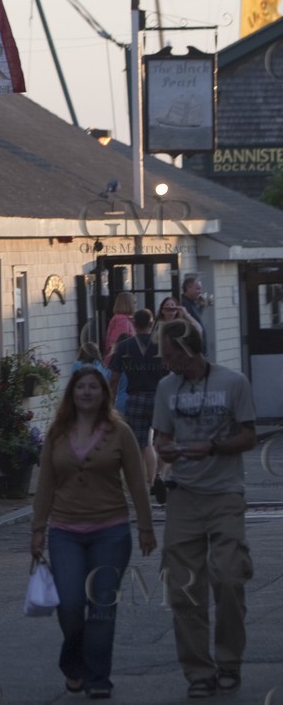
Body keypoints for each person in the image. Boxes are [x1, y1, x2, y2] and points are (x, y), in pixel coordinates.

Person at [30, 367, 155, 700]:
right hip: (65, 532)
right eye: (81, 387)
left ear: (104, 394)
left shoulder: (120, 432)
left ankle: (99, 677)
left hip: (110, 532)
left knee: (101, 607)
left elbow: (137, 483)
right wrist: (38, 529)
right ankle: (74, 664)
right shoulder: (57, 433)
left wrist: (145, 526)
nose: (86, 392)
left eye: (93, 387)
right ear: (72, 393)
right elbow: (45, 485)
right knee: (70, 605)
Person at [151, 316, 256, 698]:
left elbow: (248, 435)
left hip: (225, 493)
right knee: (184, 588)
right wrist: (163, 448)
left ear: (188, 350)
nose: (165, 363)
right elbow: (161, 436)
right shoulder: (167, 387)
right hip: (183, 495)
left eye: (169, 355)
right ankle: (198, 671)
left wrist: (212, 447)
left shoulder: (233, 382)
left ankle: (229, 661)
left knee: (228, 578)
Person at [109, 309, 169, 503]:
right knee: (162, 440)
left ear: (134, 323)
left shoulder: (124, 346)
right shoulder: (160, 345)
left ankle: (141, 485)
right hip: (159, 396)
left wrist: (110, 402)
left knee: (139, 444)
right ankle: (158, 477)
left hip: (135, 398)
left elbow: (115, 379)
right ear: (151, 323)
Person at [102, 291, 136, 368]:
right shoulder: (121, 321)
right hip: (120, 364)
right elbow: (119, 343)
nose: (135, 305)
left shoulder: (125, 320)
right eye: (133, 302)